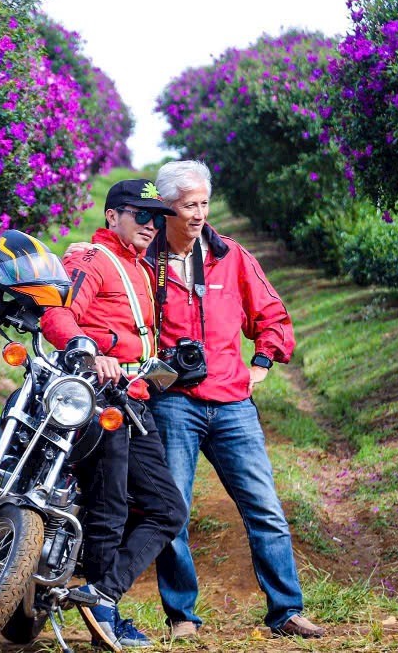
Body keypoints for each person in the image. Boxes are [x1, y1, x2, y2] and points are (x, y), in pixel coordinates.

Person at [146, 160, 325, 640]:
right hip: (171, 403)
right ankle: (182, 616)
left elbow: (272, 315)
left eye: (205, 203)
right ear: (165, 208)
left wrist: (262, 363)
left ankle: (287, 610)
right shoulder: (145, 263)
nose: (199, 213)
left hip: (231, 402)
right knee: (172, 513)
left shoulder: (232, 256)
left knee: (263, 506)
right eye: (189, 206)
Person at [41, 178, 189, 650]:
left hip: (135, 397)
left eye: (156, 218)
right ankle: (105, 612)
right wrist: (87, 349)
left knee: (167, 509)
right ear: (112, 216)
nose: (151, 225)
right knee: (109, 508)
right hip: (98, 396)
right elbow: (56, 315)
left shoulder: (142, 268)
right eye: (140, 215)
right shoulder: (91, 258)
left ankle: (101, 590)